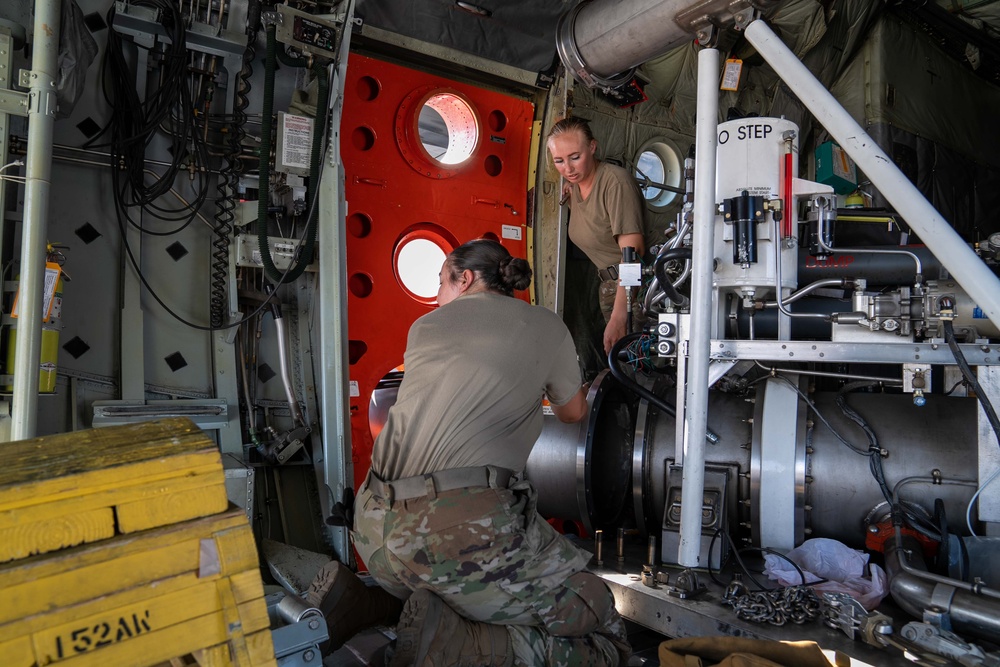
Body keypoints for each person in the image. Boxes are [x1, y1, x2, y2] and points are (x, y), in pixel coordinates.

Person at [319, 239, 630, 666]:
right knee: (602, 621)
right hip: (455, 533)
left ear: (464, 280)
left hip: (372, 532)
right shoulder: (546, 325)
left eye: (439, 284)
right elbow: (574, 411)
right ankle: (463, 647)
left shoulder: (424, 328)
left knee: (452, 580)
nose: (436, 296)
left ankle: (369, 605)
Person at [547, 116, 647, 356]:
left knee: (641, 365)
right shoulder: (575, 187)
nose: (568, 169)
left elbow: (633, 255)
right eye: (559, 161)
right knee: (623, 362)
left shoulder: (615, 183)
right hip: (609, 286)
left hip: (632, 288)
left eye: (575, 157)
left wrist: (621, 313)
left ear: (592, 147)